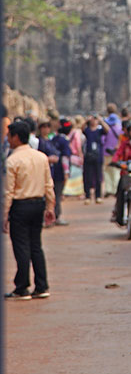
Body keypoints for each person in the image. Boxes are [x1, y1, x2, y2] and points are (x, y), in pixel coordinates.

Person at [3, 120, 56, 299]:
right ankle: (42, 286)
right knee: (36, 246)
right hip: (38, 204)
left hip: (20, 206)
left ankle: (22, 287)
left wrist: (4, 215)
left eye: (9, 136)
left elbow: (9, 191)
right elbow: (49, 184)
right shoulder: (41, 157)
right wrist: (50, 206)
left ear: (16, 137)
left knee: (21, 247)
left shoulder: (12, 160)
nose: (7, 139)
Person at [49, 114, 71, 225]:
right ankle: (56, 216)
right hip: (60, 171)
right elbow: (65, 158)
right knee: (57, 194)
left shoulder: (53, 138)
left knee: (53, 193)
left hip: (52, 170)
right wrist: (66, 172)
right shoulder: (64, 140)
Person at [82, 113, 109, 204]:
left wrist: (101, 121)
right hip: (88, 155)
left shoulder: (99, 130)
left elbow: (107, 130)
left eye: (95, 119)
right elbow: (81, 128)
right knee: (87, 177)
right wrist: (86, 120)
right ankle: (88, 196)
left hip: (98, 155)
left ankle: (98, 196)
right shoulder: (87, 130)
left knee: (98, 177)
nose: (93, 121)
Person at [102, 103, 122, 197]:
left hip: (107, 150)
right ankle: (115, 189)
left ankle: (109, 189)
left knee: (107, 170)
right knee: (116, 171)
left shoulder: (105, 125)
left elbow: (102, 139)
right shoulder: (119, 126)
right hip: (117, 151)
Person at [61, 118, 84, 198]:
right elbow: (78, 145)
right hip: (75, 155)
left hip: (68, 155)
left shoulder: (67, 133)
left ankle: (66, 191)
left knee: (68, 174)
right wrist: (80, 155)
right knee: (77, 175)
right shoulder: (76, 133)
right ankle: (77, 192)